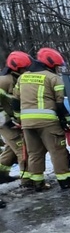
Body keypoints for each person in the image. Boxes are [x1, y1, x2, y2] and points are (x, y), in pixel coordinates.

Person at [12, 47, 70, 191]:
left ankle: (38, 183)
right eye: (57, 66)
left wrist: (19, 120)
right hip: (48, 123)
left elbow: (15, 101)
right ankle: (65, 180)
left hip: (27, 124)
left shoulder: (22, 77)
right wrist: (67, 121)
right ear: (51, 64)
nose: (57, 69)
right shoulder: (53, 78)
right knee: (58, 151)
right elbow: (59, 103)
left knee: (35, 153)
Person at [0, 51, 31, 185]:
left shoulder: (15, 79)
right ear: (16, 68)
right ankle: (28, 180)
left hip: (11, 120)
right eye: (25, 68)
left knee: (11, 150)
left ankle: (2, 174)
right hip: (5, 122)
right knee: (22, 149)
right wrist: (7, 120)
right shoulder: (4, 81)